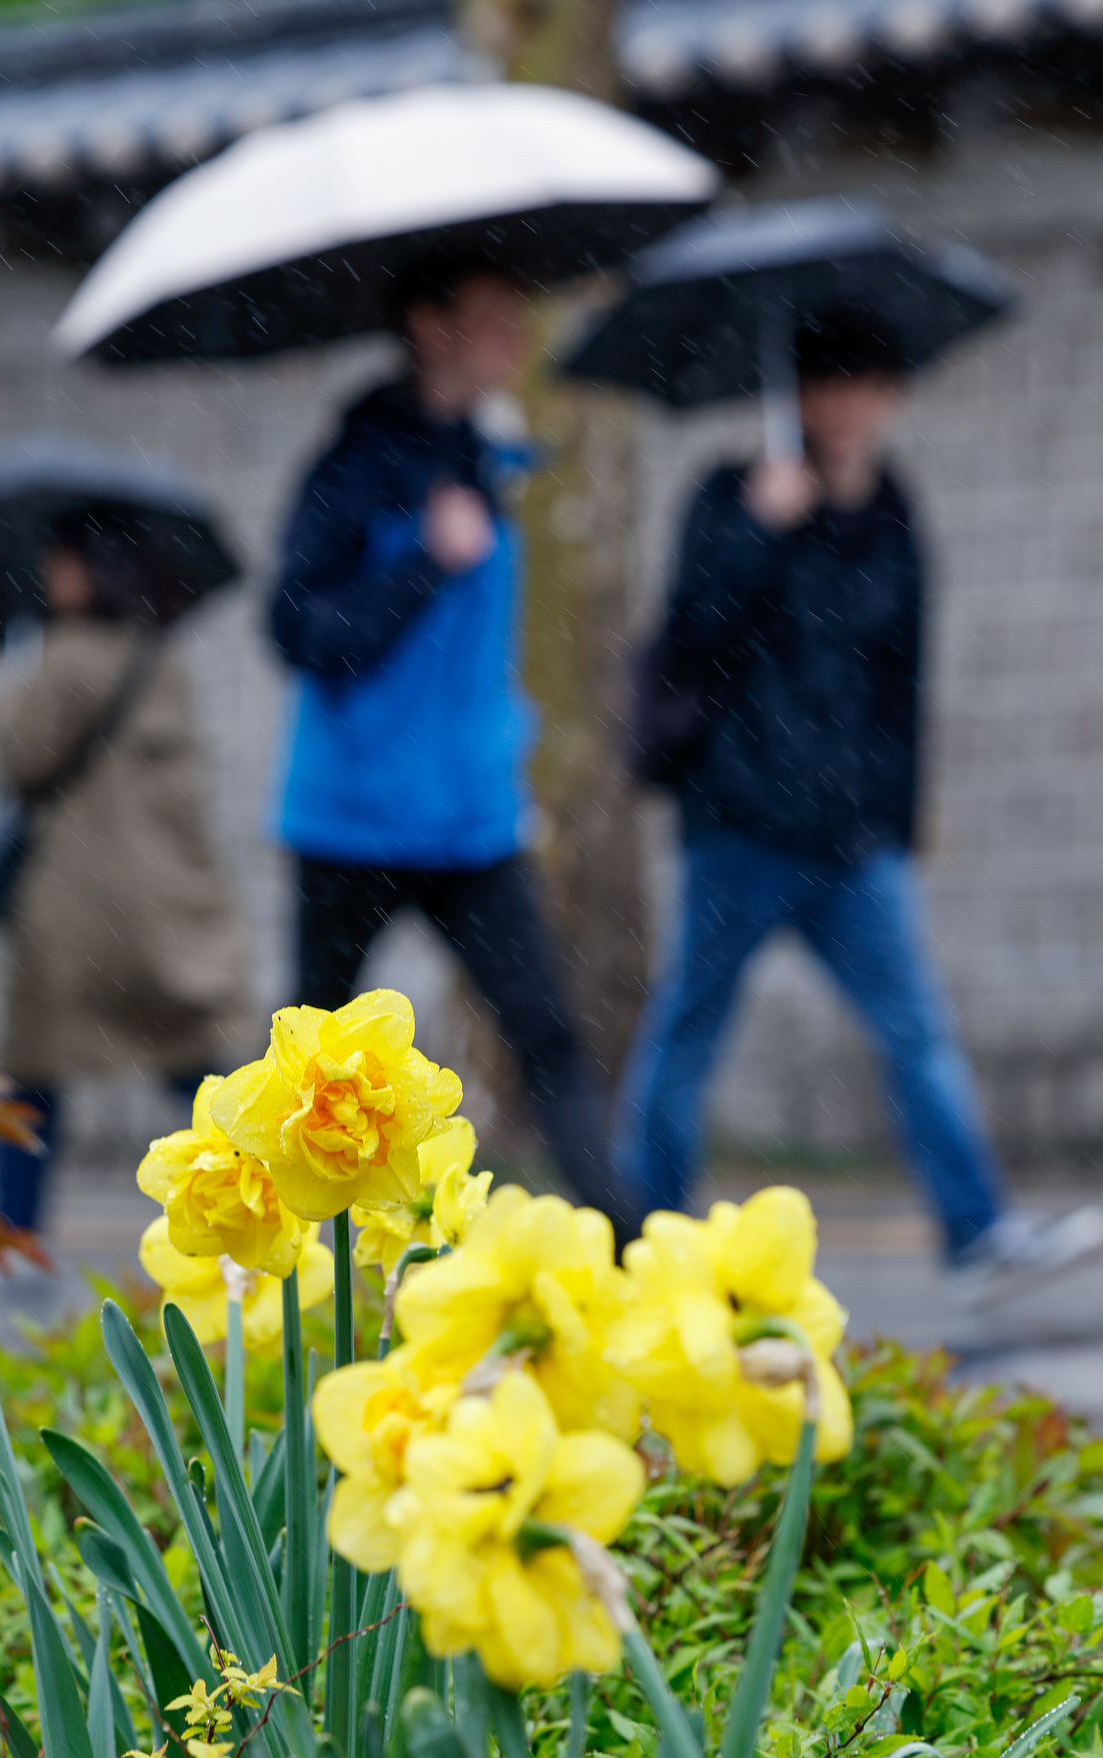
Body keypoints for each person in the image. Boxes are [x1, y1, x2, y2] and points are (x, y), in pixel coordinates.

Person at [614, 303, 1103, 1291]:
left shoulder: (891, 515)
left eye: (863, 386)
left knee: (916, 1030)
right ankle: (636, 1235)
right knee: (688, 1029)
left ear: (890, 396)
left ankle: (977, 1230)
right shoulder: (730, 495)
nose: (844, 406)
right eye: (826, 384)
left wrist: (896, 820)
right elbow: (689, 635)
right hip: (741, 825)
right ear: (795, 395)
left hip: (848, 841)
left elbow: (899, 684)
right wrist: (759, 531)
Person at [269, 257, 638, 1238]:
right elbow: (299, 632)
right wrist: (423, 565)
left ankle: (625, 1246)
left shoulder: (492, 461)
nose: (517, 339)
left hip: (473, 822)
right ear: (430, 325)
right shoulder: (351, 467)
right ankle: (263, 1264)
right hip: (350, 823)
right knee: (304, 1070)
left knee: (549, 1039)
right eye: (494, 318)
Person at [0, 504, 255, 1232]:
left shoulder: (67, 657)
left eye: (59, 559)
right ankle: (256, 1192)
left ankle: (14, 1231)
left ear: (87, 569)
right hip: (164, 905)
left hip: (79, 908)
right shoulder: (161, 657)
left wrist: (10, 711)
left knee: (33, 1074)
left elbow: (18, 763)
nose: (48, 574)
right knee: (193, 1063)